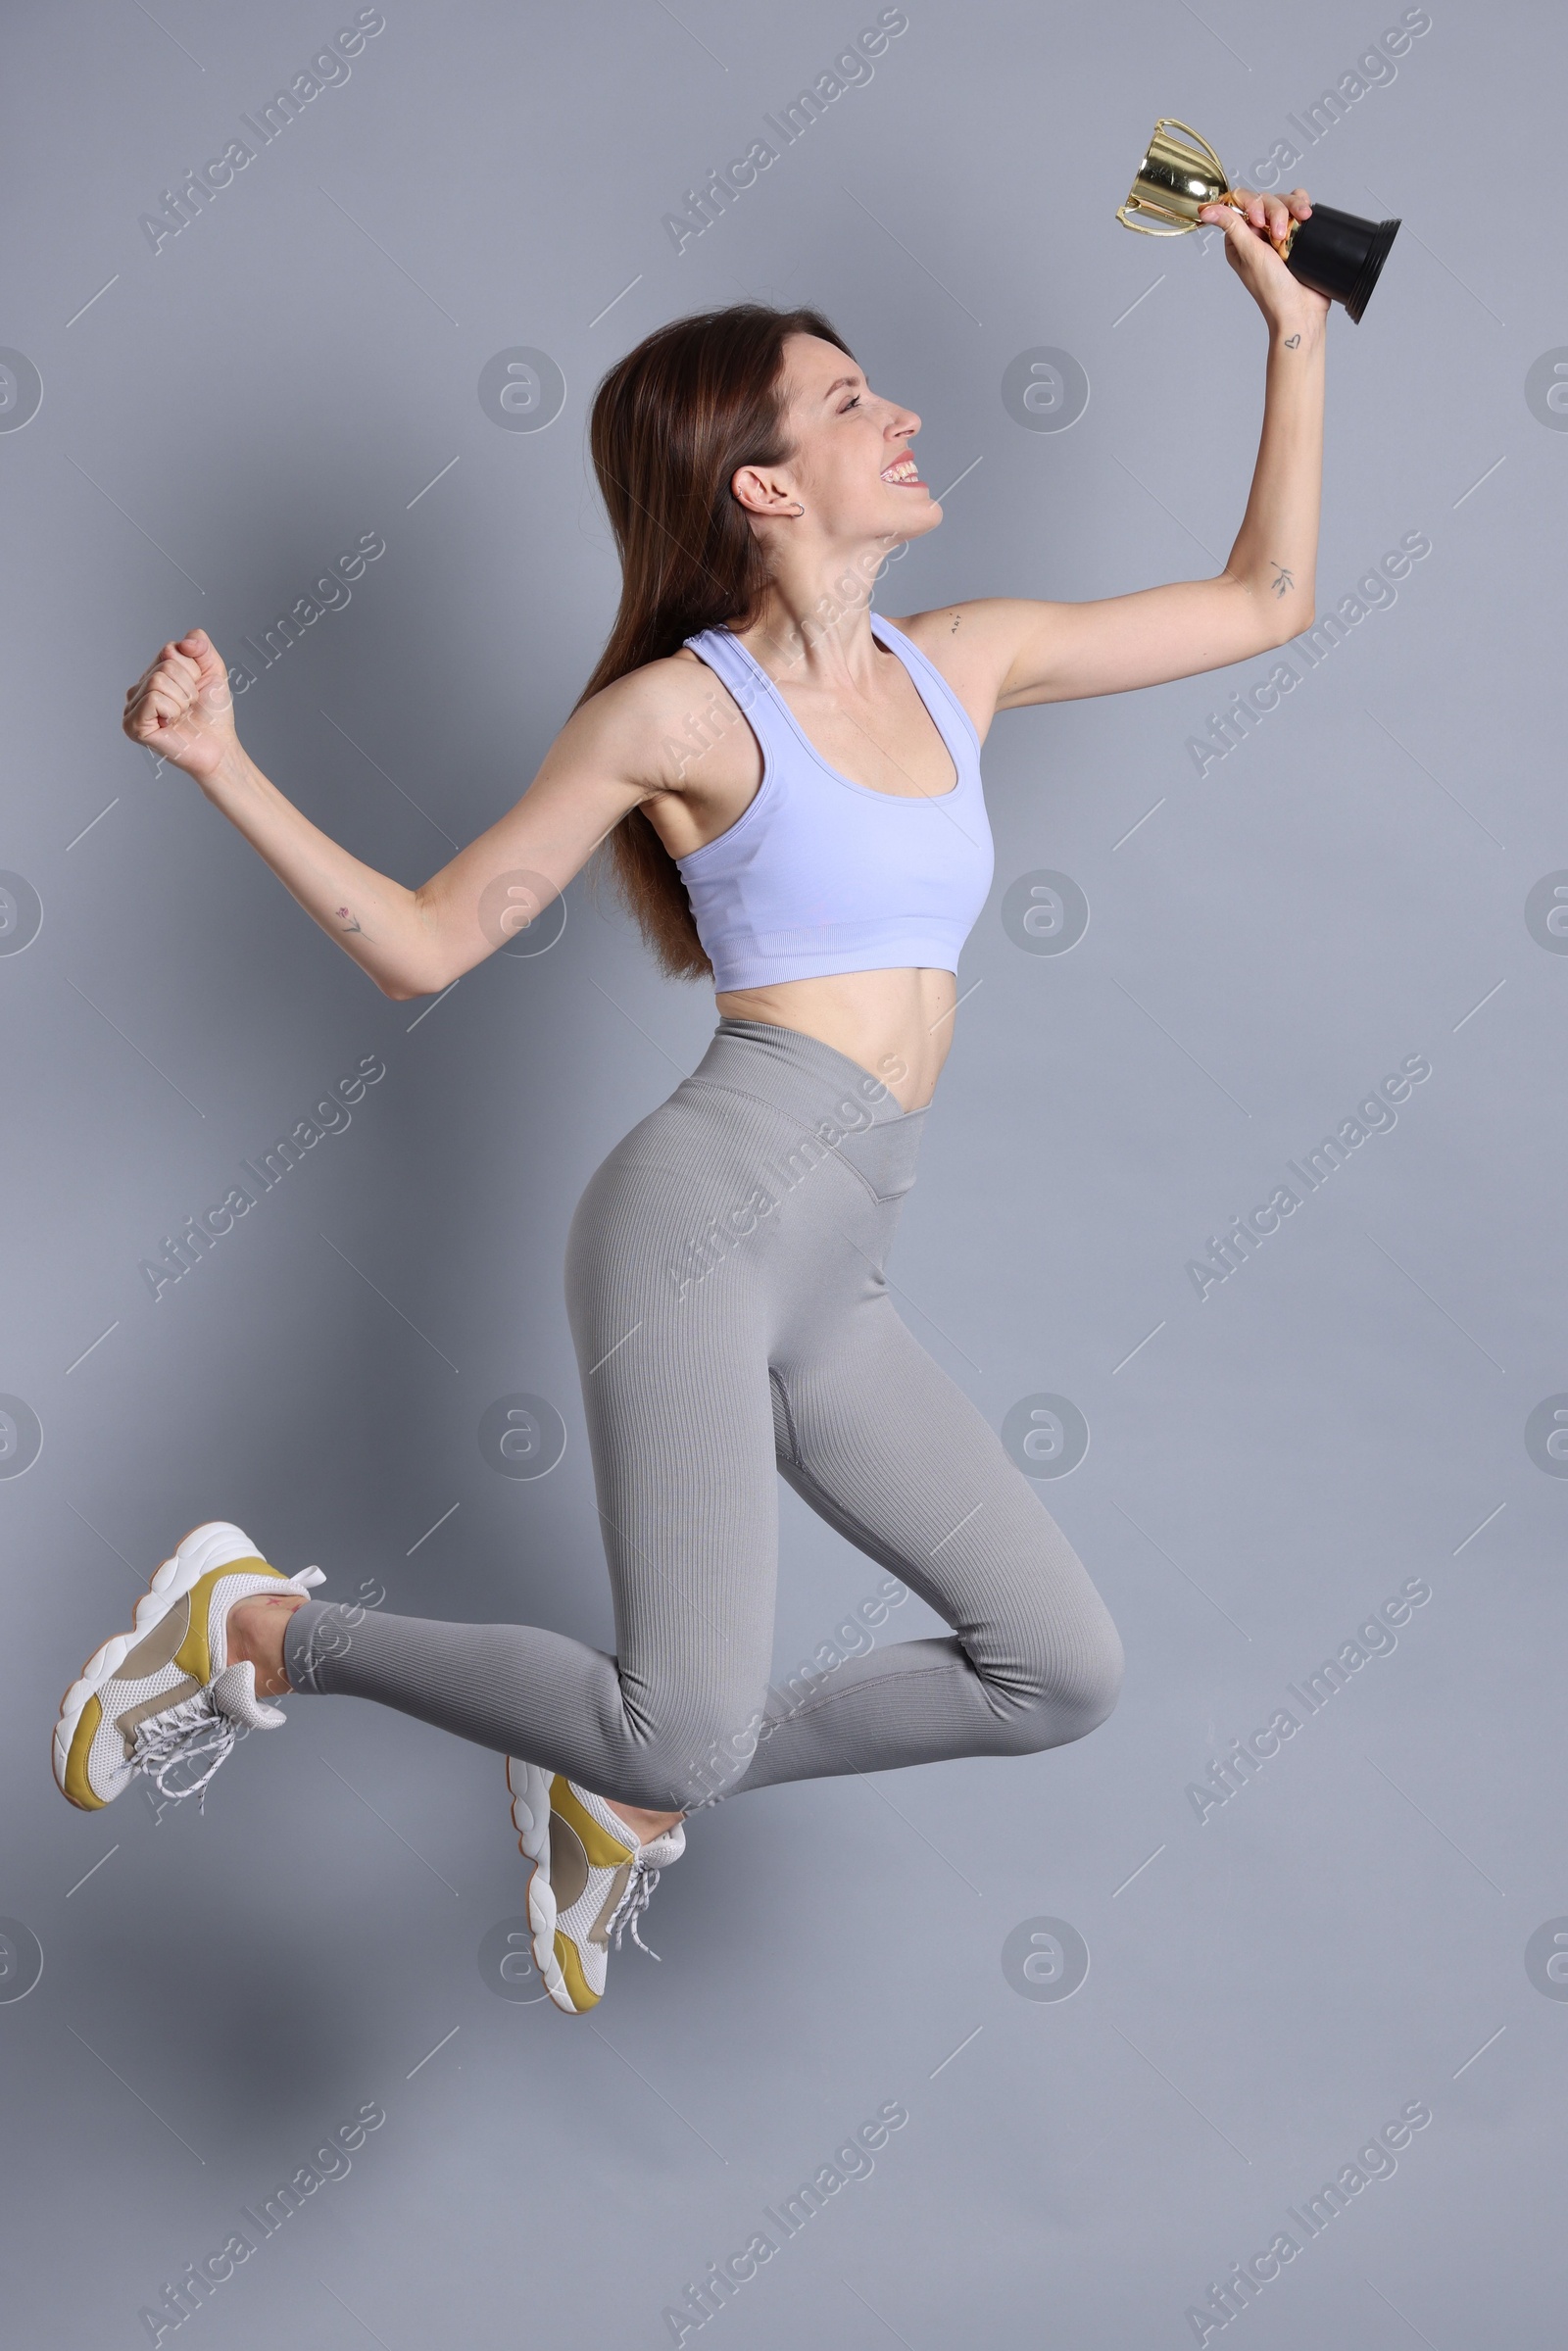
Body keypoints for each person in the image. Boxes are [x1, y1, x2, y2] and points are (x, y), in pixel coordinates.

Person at [56, 186, 1326, 2014]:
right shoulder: (678, 717)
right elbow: (424, 945)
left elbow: (1266, 603)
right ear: (761, 483)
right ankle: (248, 1625)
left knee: (1056, 1670)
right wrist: (224, 766)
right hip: (703, 1220)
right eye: (849, 403)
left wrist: (1287, 333)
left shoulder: (958, 663)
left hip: (848, 1265)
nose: (899, 420)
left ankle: (622, 1790)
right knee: (693, 1713)